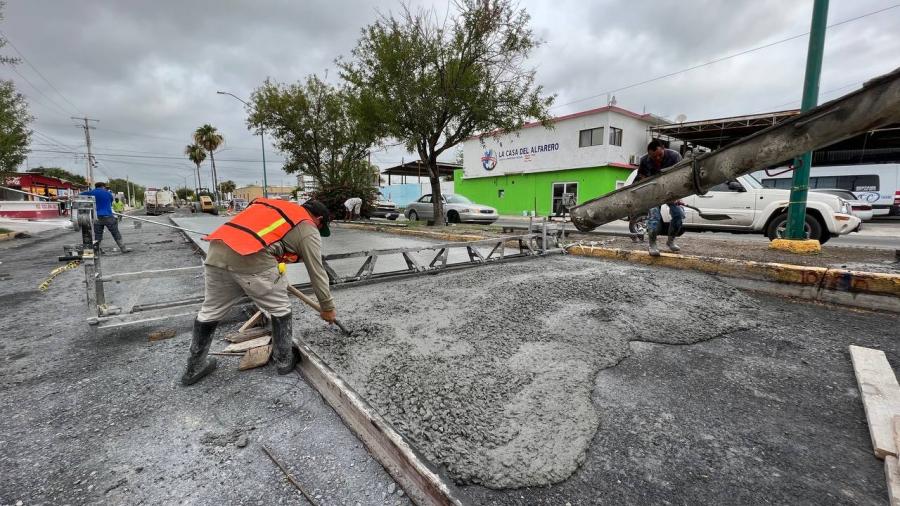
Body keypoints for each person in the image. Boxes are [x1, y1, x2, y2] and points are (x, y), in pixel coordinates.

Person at [181, 198, 337, 386]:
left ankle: (194, 367)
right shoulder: (306, 225)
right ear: (318, 219)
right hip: (252, 257)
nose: (318, 231)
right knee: (280, 308)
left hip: (217, 252)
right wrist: (327, 307)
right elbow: (317, 271)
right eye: (320, 227)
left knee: (211, 310)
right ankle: (284, 360)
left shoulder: (274, 207)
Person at [637, 140, 685, 256]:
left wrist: (679, 196)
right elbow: (641, 177)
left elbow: (681, 176)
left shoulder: (675, 156)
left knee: (679, 214)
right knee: (654, 217)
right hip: (654, 193)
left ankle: (671, 241)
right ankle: (652, 245)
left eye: (660, 155)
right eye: (654, 156)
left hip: (671, 191)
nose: (657, 158)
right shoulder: (644, 160)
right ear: (649, 154)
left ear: (663, 148)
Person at [80, 182, 131, 253]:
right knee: (115, 232)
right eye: (105, 187)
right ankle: (123, 249)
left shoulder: (91, 192)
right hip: (108, 216)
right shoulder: (108, 193)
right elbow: (110, 202)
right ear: (103, 187)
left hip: (97, 217)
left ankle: (97, 250)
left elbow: (79, 196)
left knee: (98, 235)